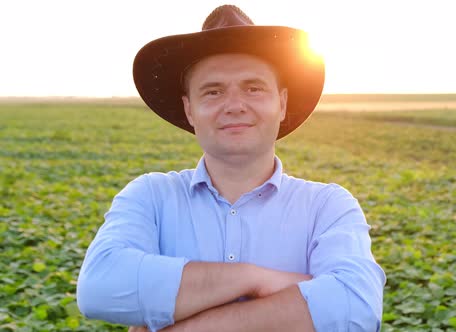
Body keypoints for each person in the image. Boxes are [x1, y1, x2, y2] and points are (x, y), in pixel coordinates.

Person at [76, 4, 385, 331]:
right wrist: (255, 279)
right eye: (213, 91)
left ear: (281, 103)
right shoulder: (150, 196)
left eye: (253, 88)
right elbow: (99, 286)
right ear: (190, 110)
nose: (235, 106)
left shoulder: (328, 206)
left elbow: (356, 307)